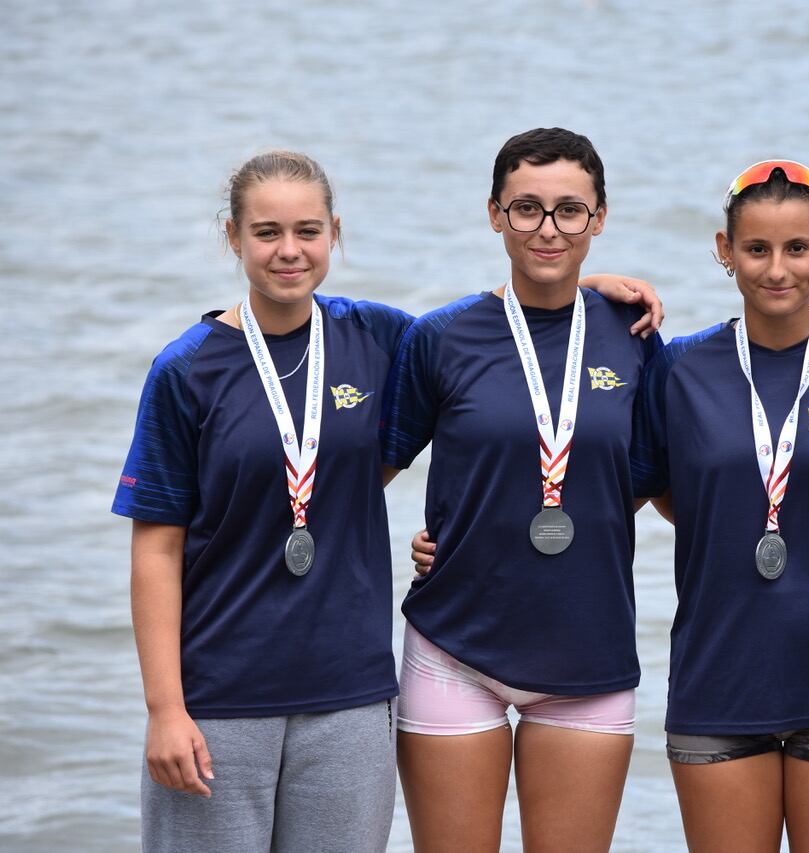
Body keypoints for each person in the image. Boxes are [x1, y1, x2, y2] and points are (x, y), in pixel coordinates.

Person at [112, 149, 661, 853]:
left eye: (308, 231)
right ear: (233, 236)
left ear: (334, 233)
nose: (289, 250)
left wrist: (586, 284)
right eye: (267, 232)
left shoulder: (376, 336)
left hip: (351, 688)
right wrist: (164, 706)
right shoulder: (186, 368)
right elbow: (156, 546)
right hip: (220, 683)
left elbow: (505, 334)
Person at [380, 127, 660, 853]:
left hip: (588, 652)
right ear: (495, 214)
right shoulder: (440, 338)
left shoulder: (633, 335)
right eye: (527, 208)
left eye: (570, 210)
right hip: (454, 645)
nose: (548, 229)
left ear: (599, 218)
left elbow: (641, 483)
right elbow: (363, 477)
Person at [629, 161, 809, 853]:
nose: (777, 269)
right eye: (757, 248)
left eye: (798, 248)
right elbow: (644, 491)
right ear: (725, 250)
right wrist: (461, 543)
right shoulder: (678, 369)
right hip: (718, 677)